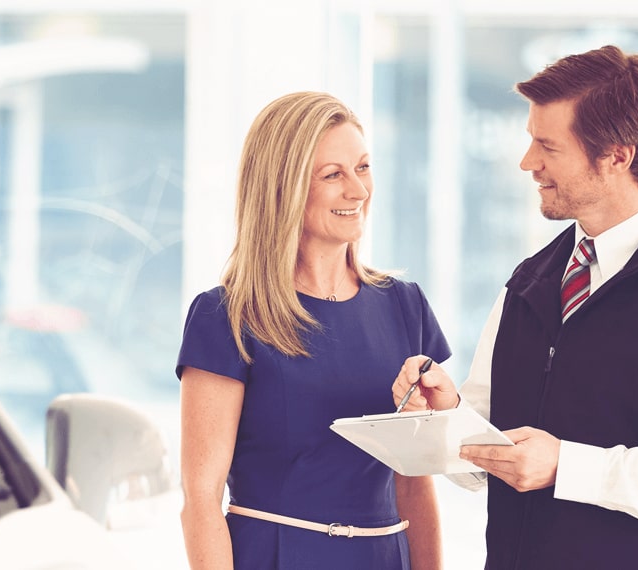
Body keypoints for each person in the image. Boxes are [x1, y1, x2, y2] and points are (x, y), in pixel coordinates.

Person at [392, 45, 638, 569]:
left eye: (548, 146)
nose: (528, 163)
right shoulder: (527, 284)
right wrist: (447, 414)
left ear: (618, 155)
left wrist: (566, 466)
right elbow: (478, 466)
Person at [177, 91, 451, 569]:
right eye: (333, 175)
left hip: (384, 557)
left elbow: (415, 482)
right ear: (282, 188)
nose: (359, 191)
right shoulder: (225, 317)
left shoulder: (405, 306)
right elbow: (200, 502)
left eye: (363, 167)